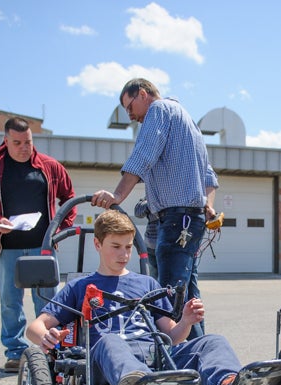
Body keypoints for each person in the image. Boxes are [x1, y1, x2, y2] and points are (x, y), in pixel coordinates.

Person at [26, 210, 240, 385]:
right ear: (97, 244)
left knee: (213, 342)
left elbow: (173, 337)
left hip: (154, 358)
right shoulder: (80, 286)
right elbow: (35, 327)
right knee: (110, 340)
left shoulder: (147, 283)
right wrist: (46, 337)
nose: (124, 254)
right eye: (116, 246)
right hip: (105, 364)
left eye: (128, 247)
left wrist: (186, 321)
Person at [89, 78, 218, 340]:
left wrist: (117, 195)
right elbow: (209, 176)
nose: (130, 115)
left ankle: (180, 365)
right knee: (188, 295)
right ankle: (202, 357)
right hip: (188, 220)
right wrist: (208, 205)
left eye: (129, 107)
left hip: (176, 220)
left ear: (144, 94)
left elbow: (143, 154)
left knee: (169, 297)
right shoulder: (189, 122)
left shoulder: (159, 111)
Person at [0, 117, 76, 372]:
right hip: (7, 247)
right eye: (17, 143)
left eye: (28, 142)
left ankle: (49, 350)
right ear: (6, 141)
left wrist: (60, 229)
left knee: (48, 302)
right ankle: (15, 352)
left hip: (43, 247)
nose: (24, 147)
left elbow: (69, 197)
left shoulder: (49, 166)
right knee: (9, 301)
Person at [133, 196, 159, 280]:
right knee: (152, 277)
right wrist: (151, 202)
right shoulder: (150, 195)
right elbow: (138, 211)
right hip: (152, 243)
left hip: (173, 243)